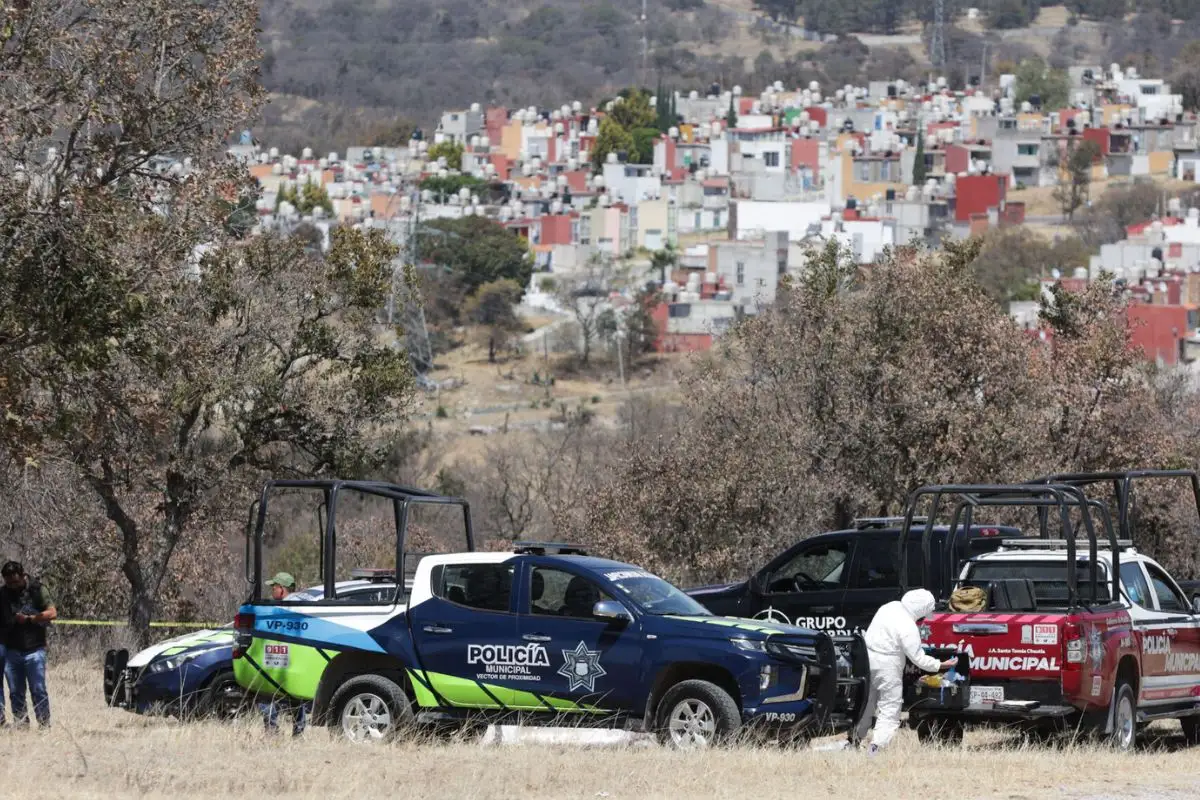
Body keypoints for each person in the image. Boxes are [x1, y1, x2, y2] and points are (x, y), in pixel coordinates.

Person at [850, 588, 955, 753]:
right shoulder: (908, 625)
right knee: (890, 707)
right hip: (888, 666)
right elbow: (918, 658)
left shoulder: (888, 607)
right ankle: (876, 748)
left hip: (867, 660)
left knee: (866, 703)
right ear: (921, 609)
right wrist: (940, 665)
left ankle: (853, 741)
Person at [1, 561, 57, 728]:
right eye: (8, 582)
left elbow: (52, 613)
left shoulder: (37, 589)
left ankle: (44, 725)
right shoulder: (3, 594)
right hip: (12, 650)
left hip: (35, 649)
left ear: (23, 575)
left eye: (15, 581)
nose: (12, 586)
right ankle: (21, 725)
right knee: (15, 692)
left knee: (38, 689)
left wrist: (31, 619)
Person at [260, 572, 313, 736]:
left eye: (274, 587)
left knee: (266, 693)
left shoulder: (286, 607)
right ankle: (298, 732)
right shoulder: (302, 604)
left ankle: (272, 730)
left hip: (281, 656)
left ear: (282, 589)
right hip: (296, 658)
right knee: (295, 696)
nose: (272, 591)